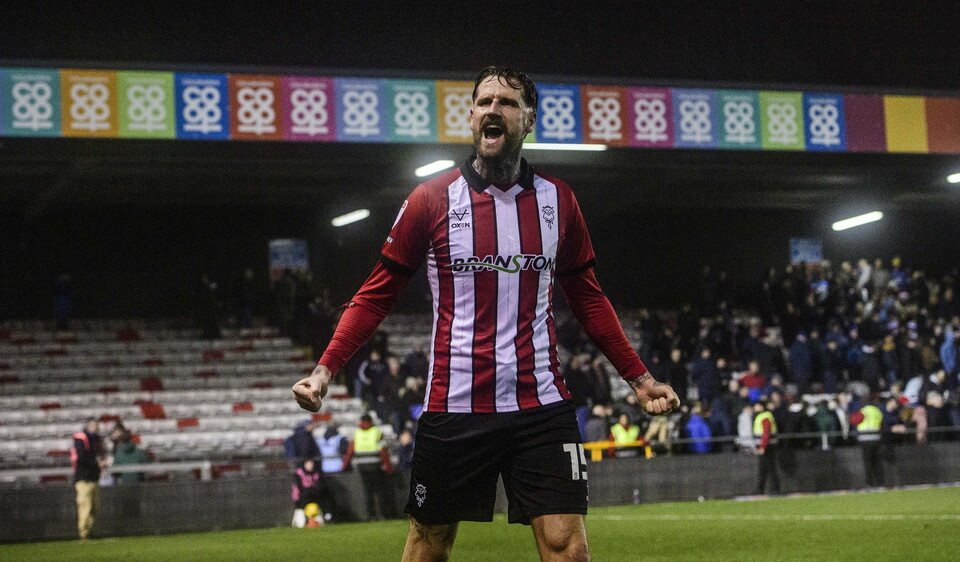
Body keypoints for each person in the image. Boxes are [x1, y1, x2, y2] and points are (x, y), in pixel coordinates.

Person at [293, 66, 679, 561]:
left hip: (541, 404)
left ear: (530, 120)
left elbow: (588, 297)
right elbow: (375, 294)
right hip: (454, 406)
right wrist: (325, 369)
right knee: (429, 545)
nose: (493, 109)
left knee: (569, 549)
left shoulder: (558, 201)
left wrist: (639, 378)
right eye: (483, 102)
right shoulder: (430, 199)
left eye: (508, 102)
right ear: (471, 116)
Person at [342, 414, 395, 521]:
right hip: (375, 466)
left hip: (362, 467)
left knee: (368, 492)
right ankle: (383, 514)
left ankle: (370, 515)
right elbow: (383, 451)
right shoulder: (377, 432)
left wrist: (344, 466)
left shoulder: (357, 433)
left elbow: (350, 451)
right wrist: (389, 467)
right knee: (380, 492)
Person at [71, 418, 107, 540]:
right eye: (93, 426)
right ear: (88, 427)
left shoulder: (96, 440)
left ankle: (89, 531)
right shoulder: (82, 439)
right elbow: (80, 458)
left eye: (97, 426)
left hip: (93, 477)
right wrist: (97, 464)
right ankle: (84, 533)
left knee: (94, 507)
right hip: (84, 478)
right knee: (85, 506)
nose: (96, 428)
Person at [753, 401, 781, 495]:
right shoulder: (764, 416)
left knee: (768, 468)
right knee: (765, 468)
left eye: (756, 406)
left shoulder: (765, 417)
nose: (755, 408)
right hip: (767, 445)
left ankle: (772, 489)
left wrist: (762, 447)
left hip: (768, 446)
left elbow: (766, 433)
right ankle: (762, 489)